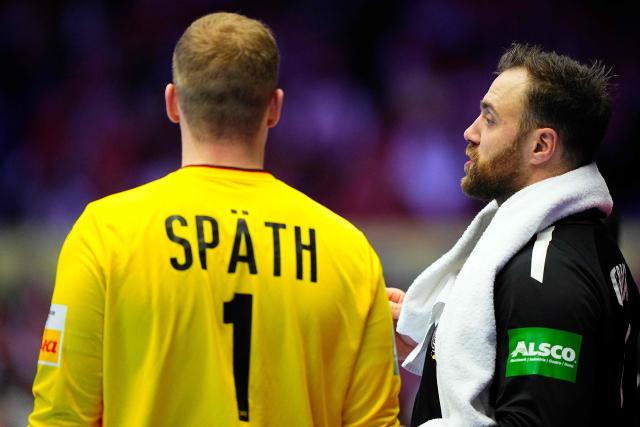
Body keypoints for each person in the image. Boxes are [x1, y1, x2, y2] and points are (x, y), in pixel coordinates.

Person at [28, 12, 400, 426]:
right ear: (274, 107)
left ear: (172, 102)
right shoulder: (348, 252)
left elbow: (61, 417)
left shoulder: (104, 234)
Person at [389, 43, 639, 426]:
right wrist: (437, 337)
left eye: (489, 120)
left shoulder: (546, 273)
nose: (470, 132)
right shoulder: (582, 241)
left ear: (540, 145)